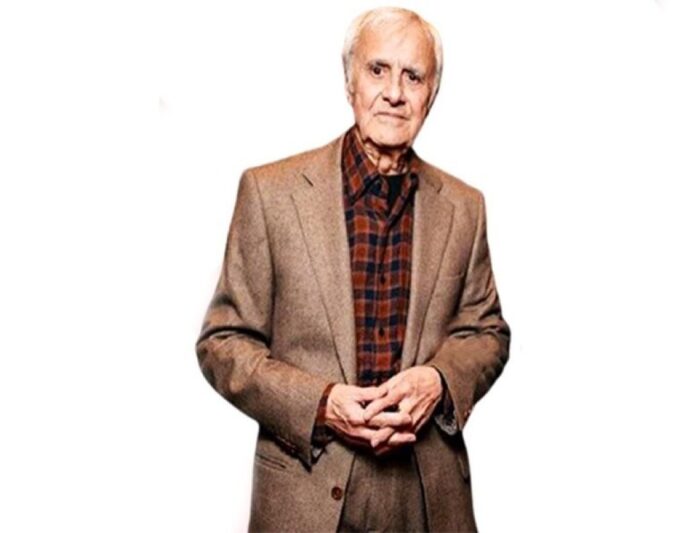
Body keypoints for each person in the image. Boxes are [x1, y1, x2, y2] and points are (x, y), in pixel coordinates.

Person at [196, 7, 510, 532]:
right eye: (377, 70)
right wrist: (320, 404)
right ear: (350, 82)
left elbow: (487, 332)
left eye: (414, 76)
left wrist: (439, 380)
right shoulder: (270, 194)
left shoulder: (465, 207)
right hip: (305, 496)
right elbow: (223, 343)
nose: (394, 93)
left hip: (426, 500)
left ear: (432, 94)